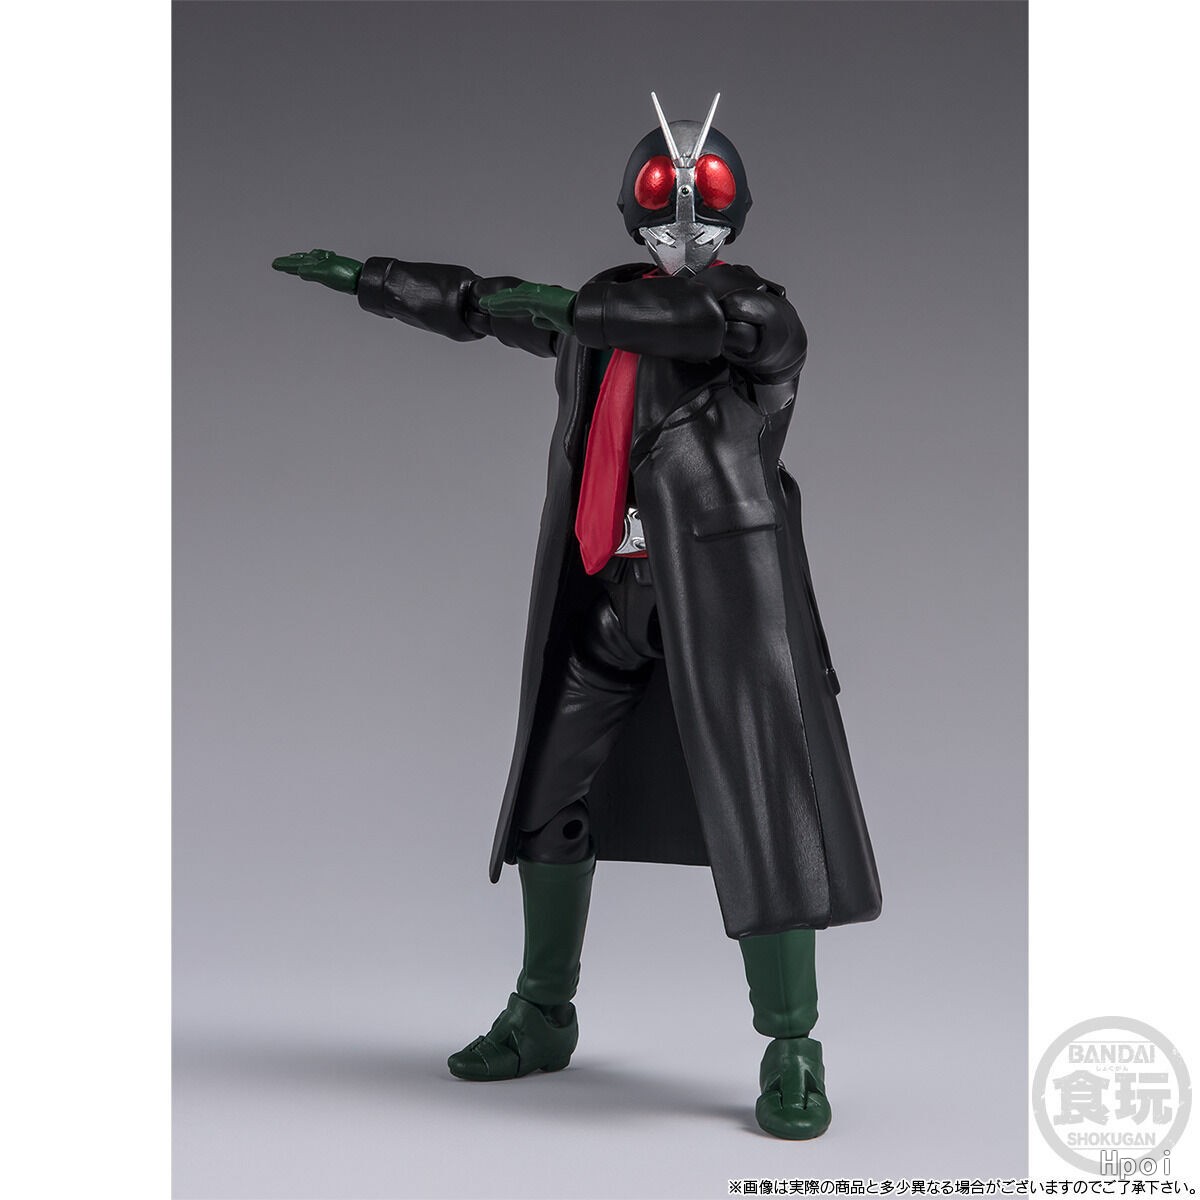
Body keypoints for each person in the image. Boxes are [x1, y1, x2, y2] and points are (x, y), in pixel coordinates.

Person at [272, 93, 881, 1140]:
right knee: (548, 799)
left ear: (737, 205)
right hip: (605, 594)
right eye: (663, 192)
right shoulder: (599, 313)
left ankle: (793, 1047)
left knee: (764, 816)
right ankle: (542, 1012)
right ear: (630, 203)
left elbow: (679, 322)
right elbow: (485, 305)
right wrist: (375, 281)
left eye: (705, 193)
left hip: (720, 606)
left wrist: (567, 306)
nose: (683, 215)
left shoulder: (754, 315)